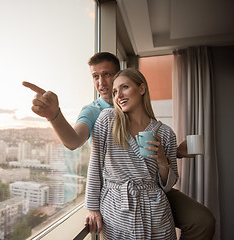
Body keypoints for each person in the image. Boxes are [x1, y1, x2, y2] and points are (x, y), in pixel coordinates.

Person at [23, 52, 215, 239]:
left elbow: (152, 163)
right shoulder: (97, 113)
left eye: (107, 75)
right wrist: (54, 115)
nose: (101, 82)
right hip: (117, 197)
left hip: (153, 193)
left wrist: (173, 153)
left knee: (203, 220)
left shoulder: (156, 124)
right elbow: (77, 145)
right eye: (95, 76)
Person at [85, 68, 178, 239]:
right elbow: (95, 165)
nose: (118, 95)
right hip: (116, 211)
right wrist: (92, 208)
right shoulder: (108, 119)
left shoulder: (166, 133)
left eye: (124, 87)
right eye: (115, 91)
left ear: (141, 89)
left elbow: (168, 185)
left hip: (156, 211)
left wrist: (162, 160)